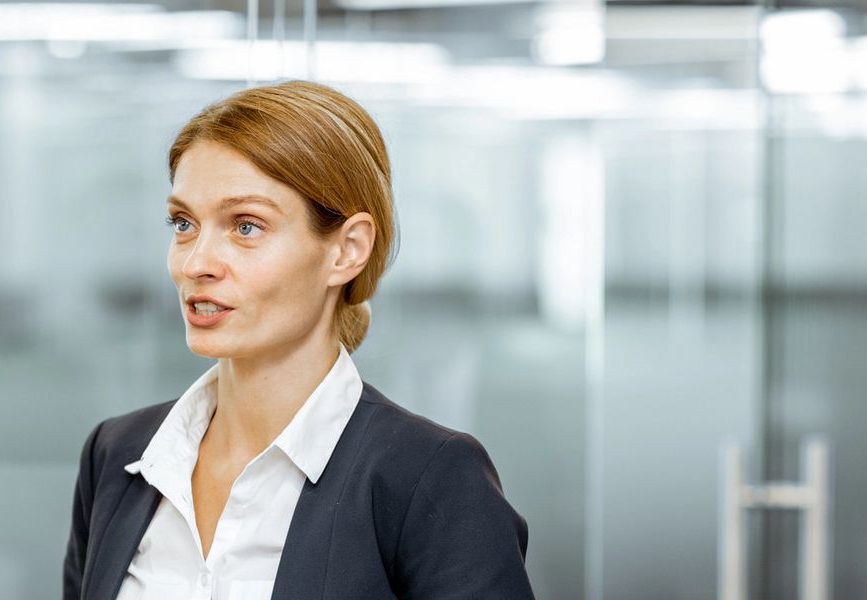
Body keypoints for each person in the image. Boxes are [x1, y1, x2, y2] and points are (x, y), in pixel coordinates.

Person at [63, 80, 535, 599]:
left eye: (246, 227)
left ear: (347, 250)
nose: (195, 263)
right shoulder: (120, 455)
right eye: (183, 223)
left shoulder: (432, 478)